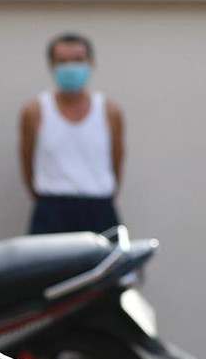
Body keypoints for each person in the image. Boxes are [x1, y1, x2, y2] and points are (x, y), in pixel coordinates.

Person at [19, 32, 126, 235]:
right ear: (51, 65)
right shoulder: (35, 110)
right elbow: (27, 161)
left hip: (99, 209)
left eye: (78, 60)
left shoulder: (110, 110)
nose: (70, 67)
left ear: (91, 63)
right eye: (62, 61)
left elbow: (117, 160)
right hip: (52, 209)